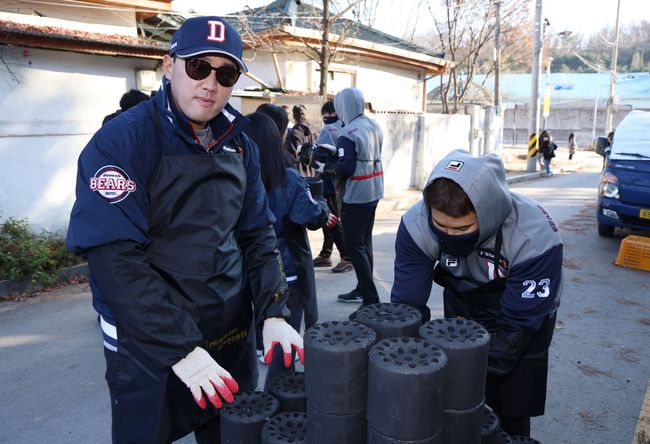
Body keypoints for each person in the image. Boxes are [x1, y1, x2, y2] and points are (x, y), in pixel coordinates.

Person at [66, 16, 303, 444]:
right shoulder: (123, 141)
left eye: (225, 73)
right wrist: (178, 345)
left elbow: (257, 235)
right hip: (148, 341)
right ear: (168, 65)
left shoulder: (240, 143)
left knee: (233, 434)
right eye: (198, 67)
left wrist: (272, 311)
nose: (210, 83)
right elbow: (114, 259)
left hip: (226, 330)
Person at [390, 149, 563, 437]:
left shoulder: (534, 238)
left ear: (489, 213)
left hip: (525, 316)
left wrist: (465, 374)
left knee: (510, 403)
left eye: (462, 228)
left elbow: (515, 332)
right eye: (441, 226)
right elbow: (408, 307)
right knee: (455, 402)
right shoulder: (416, 226)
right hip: (465, 300)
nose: (449, 236)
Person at [244, 112, 332, 385]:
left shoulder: (235, 179)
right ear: (277, 140)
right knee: (284, 339)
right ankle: (279, 399)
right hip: (284, 274)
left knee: (250, 335)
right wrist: (323, 208)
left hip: (245, 272)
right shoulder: (289, 179)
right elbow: (310, 217)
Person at [333, 87, 384, 306]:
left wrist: (328, 163)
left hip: (356, 195)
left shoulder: (347, 132)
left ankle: (370, 300)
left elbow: (345, 167)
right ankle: (363, 288)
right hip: (374, 190)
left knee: (353, 245)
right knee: (365, 242)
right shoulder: (373, 125)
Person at [312, 100, 354, 273]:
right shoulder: (347, 128)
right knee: (330, 217)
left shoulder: (329, 129)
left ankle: (347, 257)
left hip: (328, 182)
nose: (326, 117)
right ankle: (326, 253)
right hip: (341, 182)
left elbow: (317, 156)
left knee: (330, 218)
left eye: (328, 114)